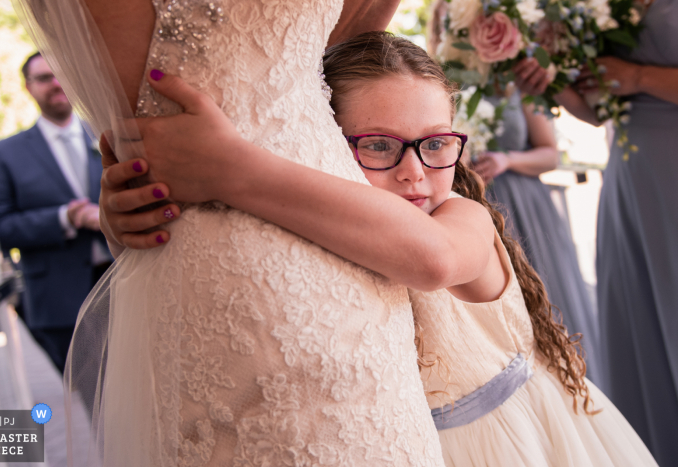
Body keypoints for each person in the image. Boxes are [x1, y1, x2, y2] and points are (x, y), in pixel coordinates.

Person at [101, 31, 658, 467]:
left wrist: (228, 168)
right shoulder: (329, 223)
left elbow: (432, 260)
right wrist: (127, 215)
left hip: (511, 444)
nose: (415, 173)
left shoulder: (463, 218)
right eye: (379, 146)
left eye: (436, 143)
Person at [12, 0, 447, 465]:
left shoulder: (450, 217)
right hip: (228, 278)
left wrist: (219, 170)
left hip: (343, 253)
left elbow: (335, 56)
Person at [426, 0, 604, 389]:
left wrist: (507, 160)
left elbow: (549, 154)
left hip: (524, 207)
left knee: (545, 303)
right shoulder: (435, 89)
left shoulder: (514, 83)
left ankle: (565, 384)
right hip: (469, 207)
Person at [549, 1, 678, 463]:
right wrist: (551, 79)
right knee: (638, 314)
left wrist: (639, 77)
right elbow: (599, 107)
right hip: (629, 168)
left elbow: (630, 76)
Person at [0, 52, 111, 373]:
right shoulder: (4, 154)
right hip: (60, 298)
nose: (55, 84)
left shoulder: (107, 134)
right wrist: (64, 219)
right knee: (95, 398)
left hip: (125, 280)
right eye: (43, 78)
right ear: (28, 87)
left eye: (60, 74)